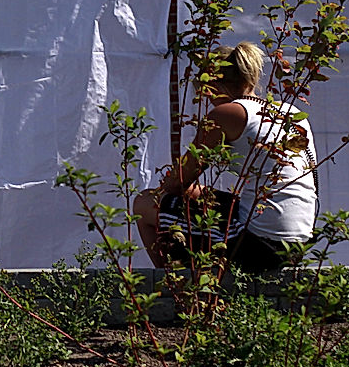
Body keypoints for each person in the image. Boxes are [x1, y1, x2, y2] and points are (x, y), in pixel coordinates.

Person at [134, 41, 319, 274]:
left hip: (259, 243)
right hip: (299, 237)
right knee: (200, 193)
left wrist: (173, 181)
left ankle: (175, 289)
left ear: (211, 85)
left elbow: (177, 182)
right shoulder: (292, 112)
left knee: (144, 202)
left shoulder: (228, 113)